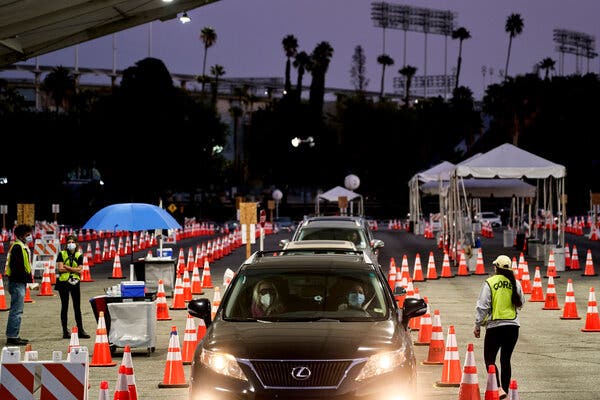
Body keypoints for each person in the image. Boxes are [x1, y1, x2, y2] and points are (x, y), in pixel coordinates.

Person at [474, 255, 525, 399]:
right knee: (505, 359)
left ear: (496, 267)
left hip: (495, 327)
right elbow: (521, 302)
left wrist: (477, 324)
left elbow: (482, 306)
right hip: (513, 327)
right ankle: (506, 390)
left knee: (489, 359)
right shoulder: (516, 282)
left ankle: (497, 388)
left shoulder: (490, 282)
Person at [55, 235, 90, 339]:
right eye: (68, 242)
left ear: (76, 244)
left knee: (77, 307)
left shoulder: (79, 255)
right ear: (66, 244)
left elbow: (80, 270)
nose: (70, 244)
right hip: (63, 283)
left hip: (74, 282)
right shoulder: (61, 254)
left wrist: (67, 267)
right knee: (64, 306)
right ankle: (65, 331)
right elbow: (60, 269)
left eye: (72, 242)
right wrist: (73, 269)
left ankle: (81, 330)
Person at [4, 224, 33, 345]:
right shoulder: (18, 247)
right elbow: (18, 267)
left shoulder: (21, 245)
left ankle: (13, 335)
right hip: (17, 283)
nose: (30, 236)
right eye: (28, 234)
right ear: (22, 235)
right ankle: (12, 336)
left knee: (17, 310)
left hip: (19, 282)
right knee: (16, 310)